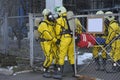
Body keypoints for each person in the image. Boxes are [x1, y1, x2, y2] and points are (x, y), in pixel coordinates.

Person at [53, 6, 75, 79]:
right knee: (71, 55)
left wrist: (58, 39)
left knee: (61, 55)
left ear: (60, 12)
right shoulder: (70, 18)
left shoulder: (59, 20)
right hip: (71, 38)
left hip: (64, 38)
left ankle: (60, 73)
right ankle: (75, 72)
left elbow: (57, 31)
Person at [37, 8, 59, 78]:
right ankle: (45, 70)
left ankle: (56, 69)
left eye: (51, 15)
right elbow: (47, 35)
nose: (51, 16)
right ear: (45, 16)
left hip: (52, 42)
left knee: (56, 55)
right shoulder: (43, 24)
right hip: (46, 42)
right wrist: (56, 40)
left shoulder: (51, 23)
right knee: (49, 57)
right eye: (49, 15)